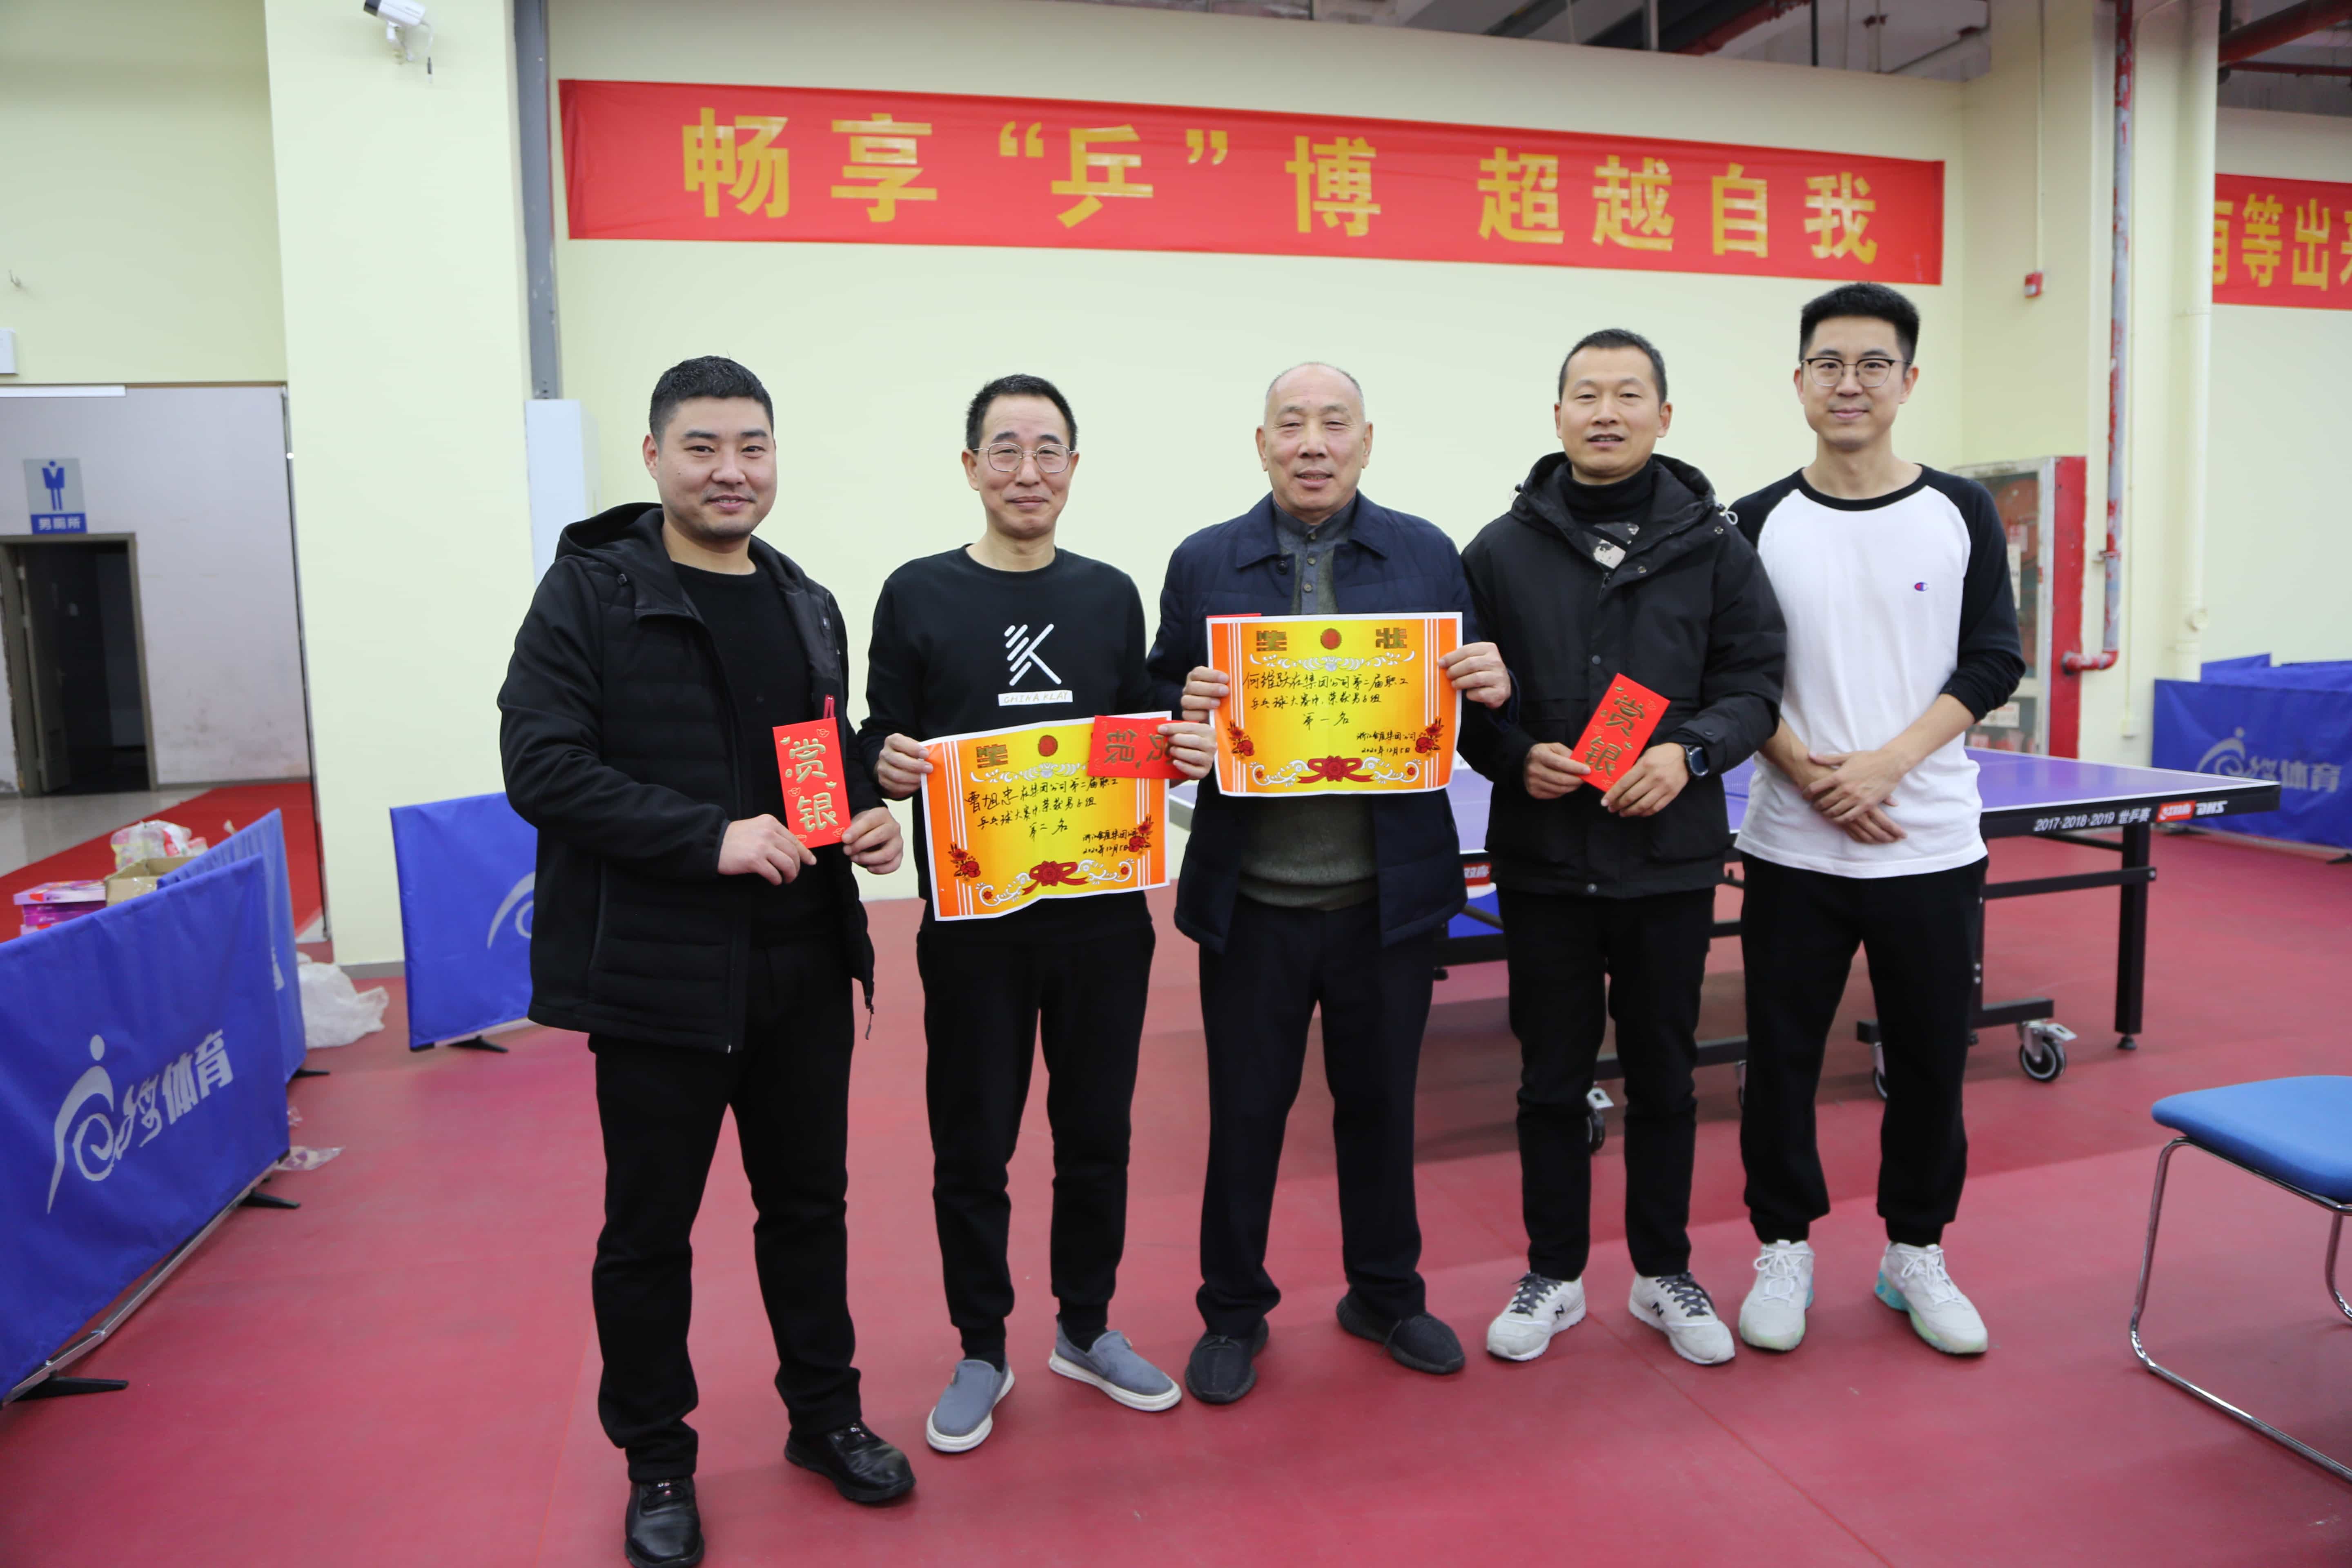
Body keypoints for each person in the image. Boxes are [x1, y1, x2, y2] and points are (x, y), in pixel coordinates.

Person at [500, 356, 915, 1568]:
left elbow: (809, 764)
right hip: (660, 977)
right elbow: (543, 767)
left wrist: (858, 816)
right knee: (649, 1235)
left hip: (804, 966)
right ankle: (658, 1461)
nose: (731, 471)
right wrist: (710, 838)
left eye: (752, 447)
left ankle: (825, 1417)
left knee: (809, 1212)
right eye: (703, 447)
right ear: (653, 458)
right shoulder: (590, 593)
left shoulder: (804, 600)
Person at [1146, 362, 1513, 1405]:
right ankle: (1232, 1311)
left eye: (1334, 423)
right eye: (1292, 424)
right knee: (1245, 1115)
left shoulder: (1427, 553)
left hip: (1386, 902)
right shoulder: (1204, 560)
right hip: (1252, 900)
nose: (1314, 443)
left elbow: (1470, 721)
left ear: (1366, 441)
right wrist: (1179, 708)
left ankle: (1386, 1295)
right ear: (1261, 443)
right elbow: (1156, 702)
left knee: (1381, 1107)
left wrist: (1497, 687)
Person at [860, 372, 1200, 1454]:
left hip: (1102, 919)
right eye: (1004, 450)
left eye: (1049, 449)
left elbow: (1135, 733)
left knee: (1098, 1135)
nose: (1028, 471)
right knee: (974, 1146)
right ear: (971, 468)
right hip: (975, 927)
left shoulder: (1109, 595)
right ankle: (981, 1347)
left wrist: (1179, 750)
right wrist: (886, 764)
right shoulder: (917, 593)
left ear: (1074, 467)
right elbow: (879, 731)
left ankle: (1086, 1328)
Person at [1460, 330, 1784, 1368]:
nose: (1607, 411)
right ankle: (1553, 1272)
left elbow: (1755, 687)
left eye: (1629, 394)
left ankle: (1662, 1272)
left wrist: (1691, 754)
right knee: (1549, 1080)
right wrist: (1516, 757)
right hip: (1545, 863)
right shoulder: (1495, 552)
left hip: (1669, 862)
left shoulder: (1719, 548)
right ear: (1557, 415)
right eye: (1587, 394)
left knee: (1668, 1077)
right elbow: (1461, 708)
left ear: (1664, 415)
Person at [1727, 283, 2024, 1359]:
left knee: (1932, 1062)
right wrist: (1813, 779)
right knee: (1781, 1060)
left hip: (1930, 842)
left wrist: (1889, 766)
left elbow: (1993, 658)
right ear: (1799, 380)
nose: (1848, 384)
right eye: (1829, 364)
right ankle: (1782, 1246)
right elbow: (1733, 673)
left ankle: (1916, 1250)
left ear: (1907, 380)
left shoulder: (1961, 511)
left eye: (1872, 364)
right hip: (1792, 846)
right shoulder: (1752, 521)